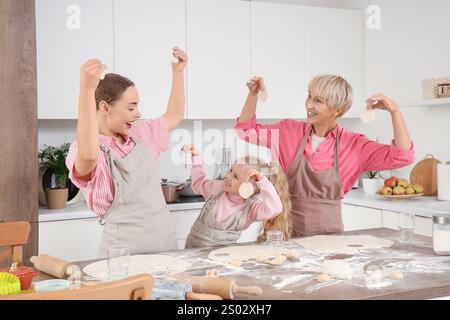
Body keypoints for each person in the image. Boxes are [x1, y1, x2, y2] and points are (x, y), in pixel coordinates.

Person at [235, 75, 414, 236]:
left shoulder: (354, 145)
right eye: (309, 96)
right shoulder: (288, 131)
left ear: (337, 110)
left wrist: (395, 112)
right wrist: (253, 95)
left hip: (329, 238)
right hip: (283, 231)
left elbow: (403, 156)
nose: (308, 105)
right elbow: (245, 131)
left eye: (318, 101)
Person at [66, 48, 188, 257]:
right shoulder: (84, 148)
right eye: (131, 108)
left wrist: (178, 73)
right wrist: (86, 90)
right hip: (124, 255)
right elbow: (88, 157)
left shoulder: (139, 132)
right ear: (104, 108)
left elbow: (174, 115)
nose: (138, 113)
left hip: (165, 246)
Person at [181, 144, 292, 248]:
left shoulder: (252, 209)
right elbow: (198, 183)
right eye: (230, 170)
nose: (228, 176)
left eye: (235, 176)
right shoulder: (217, 189)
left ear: (249, 188)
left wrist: (262, 181)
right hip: (192, 250)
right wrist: (196, 158)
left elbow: (275, 208)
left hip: (224, 256)